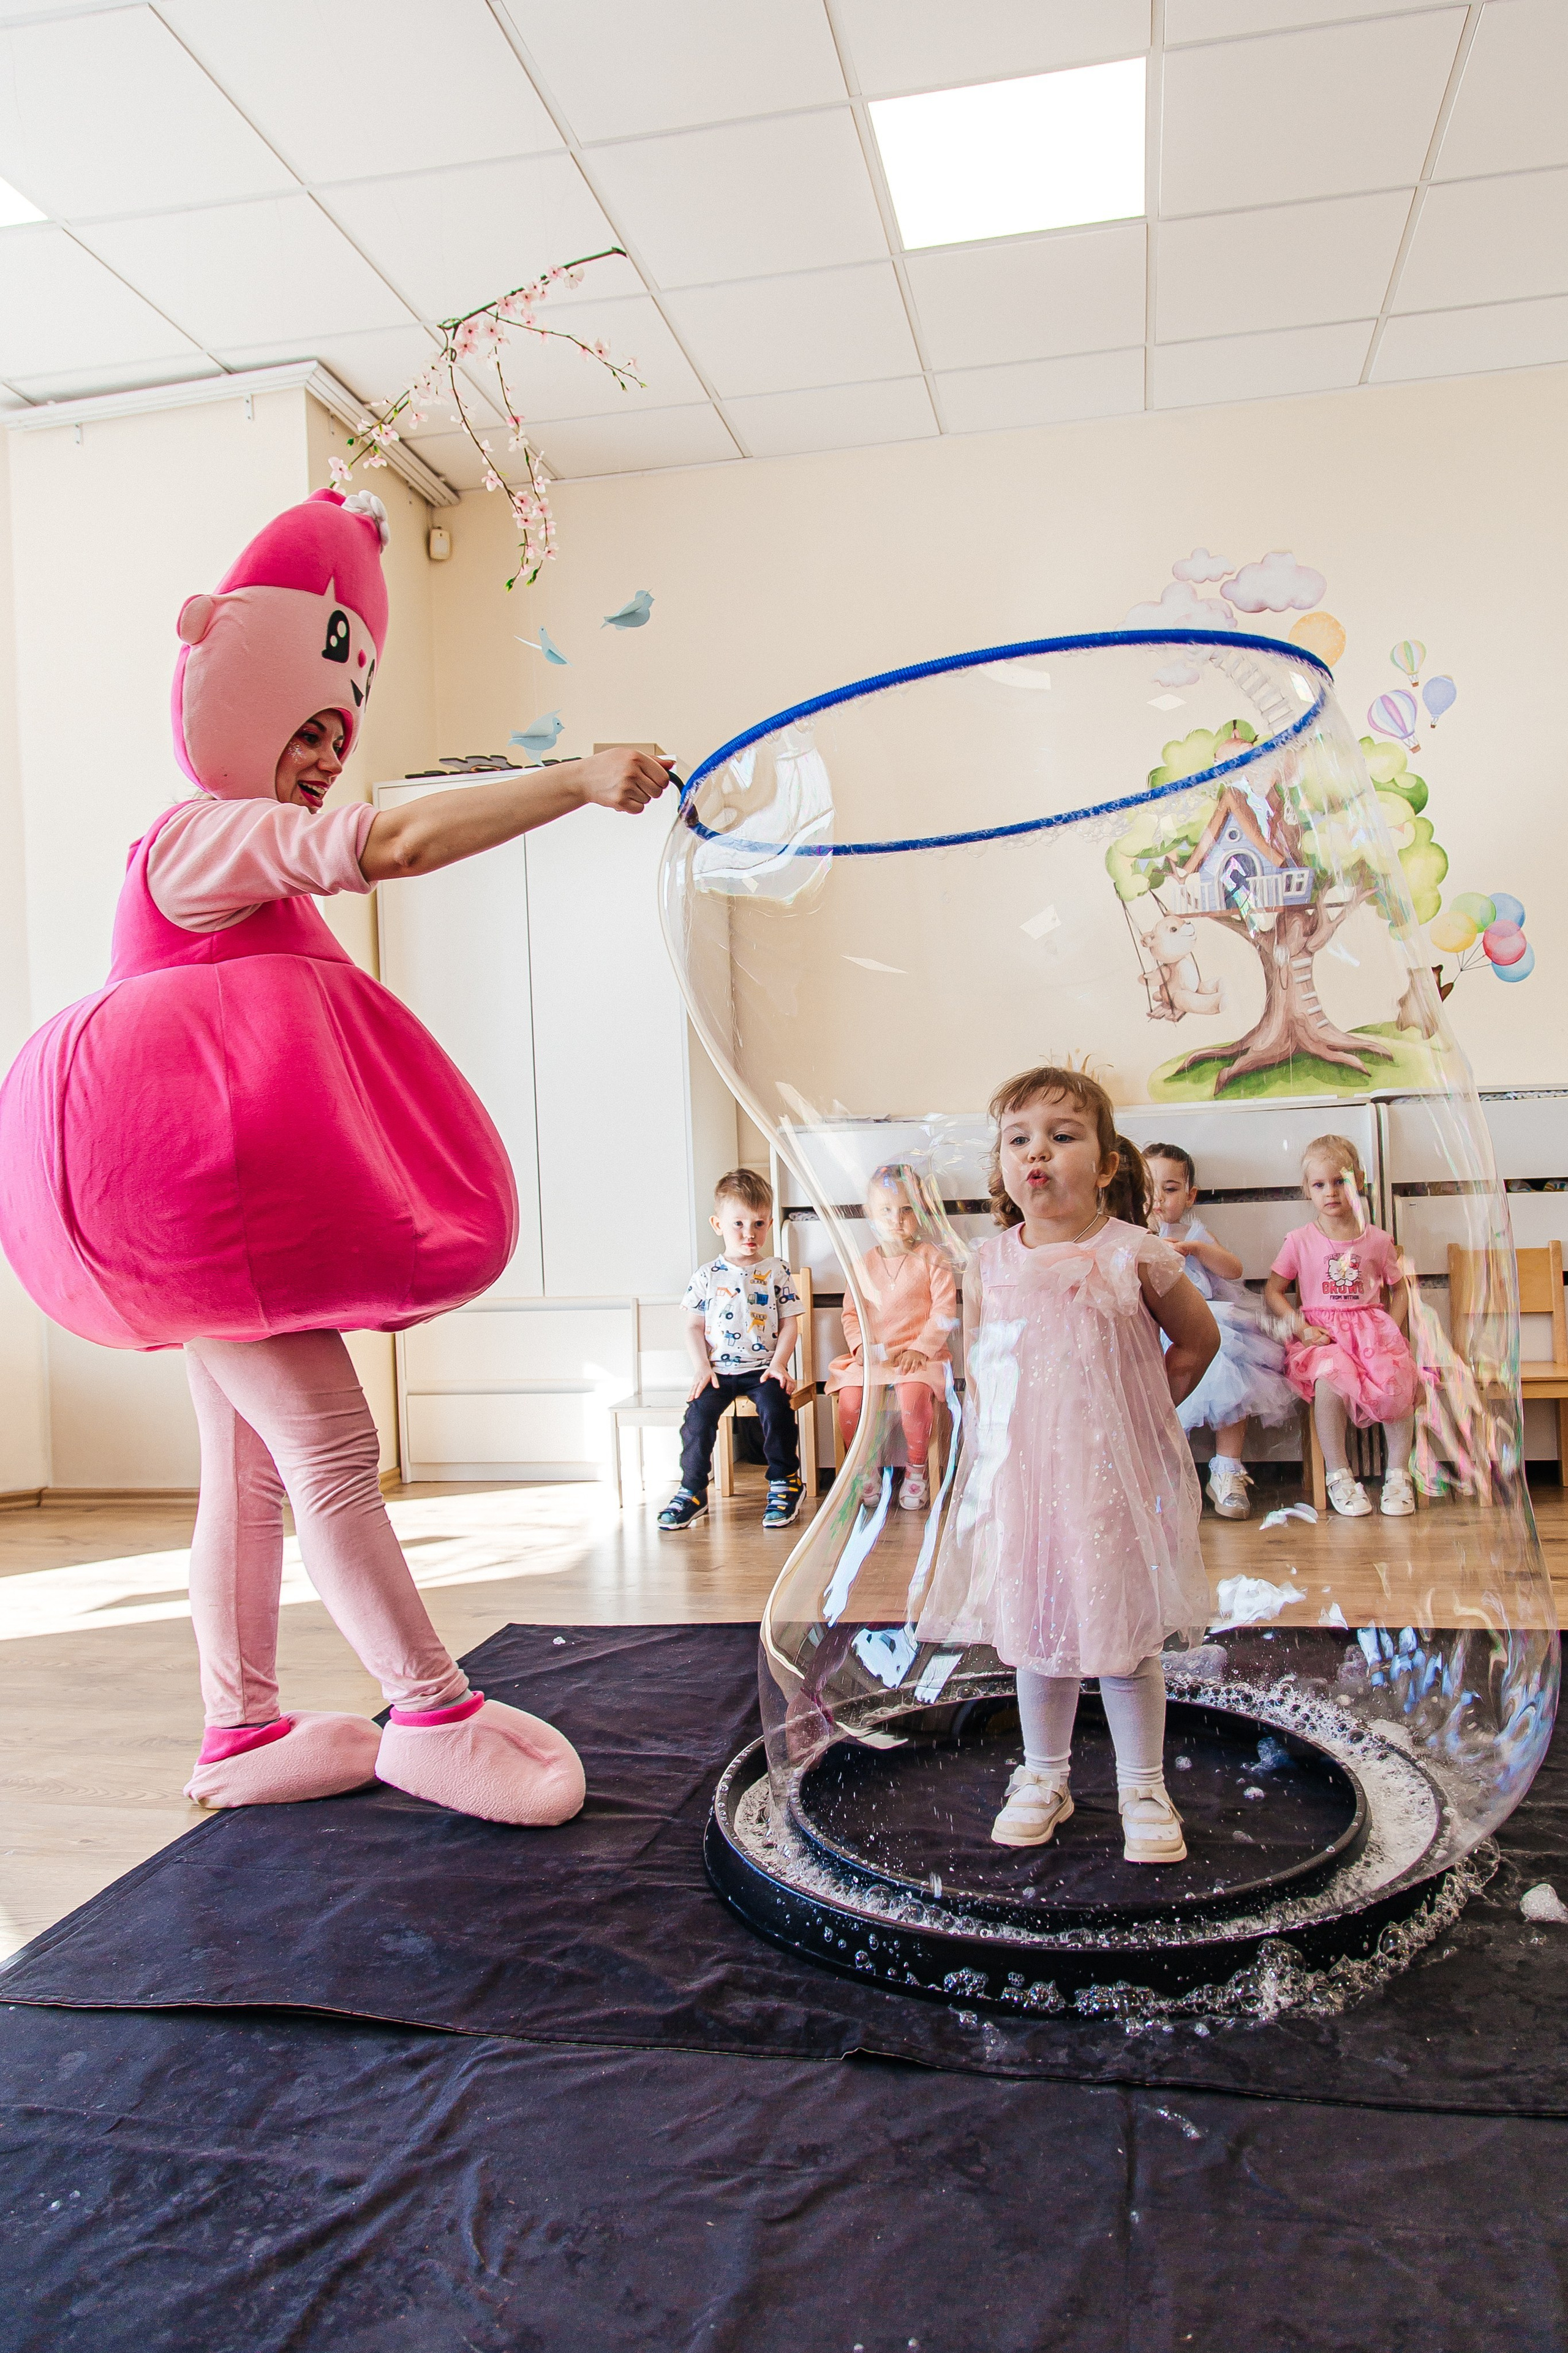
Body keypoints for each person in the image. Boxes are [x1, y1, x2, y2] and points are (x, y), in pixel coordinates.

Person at [0, 486, 673, 1823]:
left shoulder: (220, 849)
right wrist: (576, 780)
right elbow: (396, 841)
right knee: (333, 1452)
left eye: (335, 735)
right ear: (238, 713)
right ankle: (428, 1706)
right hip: (193, 1219)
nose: (321, 756)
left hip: (194, 1219)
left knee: (249, 1470)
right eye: (302, 730)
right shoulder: (210, 831)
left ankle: (238, 1729)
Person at [916, 1067, 1218, 1864]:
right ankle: (1045, 1774)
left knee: (1124, 1636)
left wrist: (1148, 1419)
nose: (1036, 1152)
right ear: (1004, 1166)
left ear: (1108, 1164)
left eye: (1062, 1134)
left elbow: (1197, 1341)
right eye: (1018, 1139)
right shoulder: (989, 1264)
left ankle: (1142, 1783)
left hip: (1113, 1485)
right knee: (1037, 1629)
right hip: (1028, 1486)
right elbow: (981, 1367)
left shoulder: (1135, 1253)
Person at [1264, 1135, 1419, 1519]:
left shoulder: (1379, 1241)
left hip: (1372, 1335)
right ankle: (1339, 1475)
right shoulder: (1300, 1241)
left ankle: (1399, 1474)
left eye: (1340, 1181)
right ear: (1307, 1190)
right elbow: (1273, 1291)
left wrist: (1392, 1330)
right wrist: (1301, 1328)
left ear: (1360, 1182)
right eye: (1319, 1185)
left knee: (1397, 1382)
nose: (1330, 1192)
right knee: (1330, 1384)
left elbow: (1400, 1291)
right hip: (1323, 1337)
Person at [1144, 1142, 1297, 1521]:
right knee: (1153, 1392)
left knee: (1232, 1371)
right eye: (1150, 1189)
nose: (1160, 1199)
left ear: (1190, 1194)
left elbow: (1233, 1270)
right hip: (1157, 1330)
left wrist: (1195, 1248)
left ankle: (1227, 1470)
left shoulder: (1194, 1233)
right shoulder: (1134, 1233)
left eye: (1171, 1188)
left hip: (1208, 1326)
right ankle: (1162, 1479)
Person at [659, 1169, 805, 1533]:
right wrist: (701, 1369)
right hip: (718, 1372)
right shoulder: (707, 1275)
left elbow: (791, 1324)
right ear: (718, 1224)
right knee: (697, 1421)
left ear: (770, 1223)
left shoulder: (777, 1272)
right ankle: (693, 1490)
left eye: (758, 1224)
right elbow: (693, 1326)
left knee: (776, 1411)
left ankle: (786, 1480)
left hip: (763, 1370)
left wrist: (780, 1365)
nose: (749, 1233)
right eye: (738, 1223)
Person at [825, 1163, 957, 1513]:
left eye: (907, 1210)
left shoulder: (933, 1259)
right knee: (850, 1400)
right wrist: (860, 1349)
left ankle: (916, 1469)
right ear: (869, 1214)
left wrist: (921, 1348)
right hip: (873, 1357)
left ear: (921, 1213)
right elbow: (851, 1314)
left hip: (919, 1357)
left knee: (914, 1397)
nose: (896, 1220)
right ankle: (865, 1468)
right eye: (886, 1210)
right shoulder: (861, 1265)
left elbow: (944, 1310)